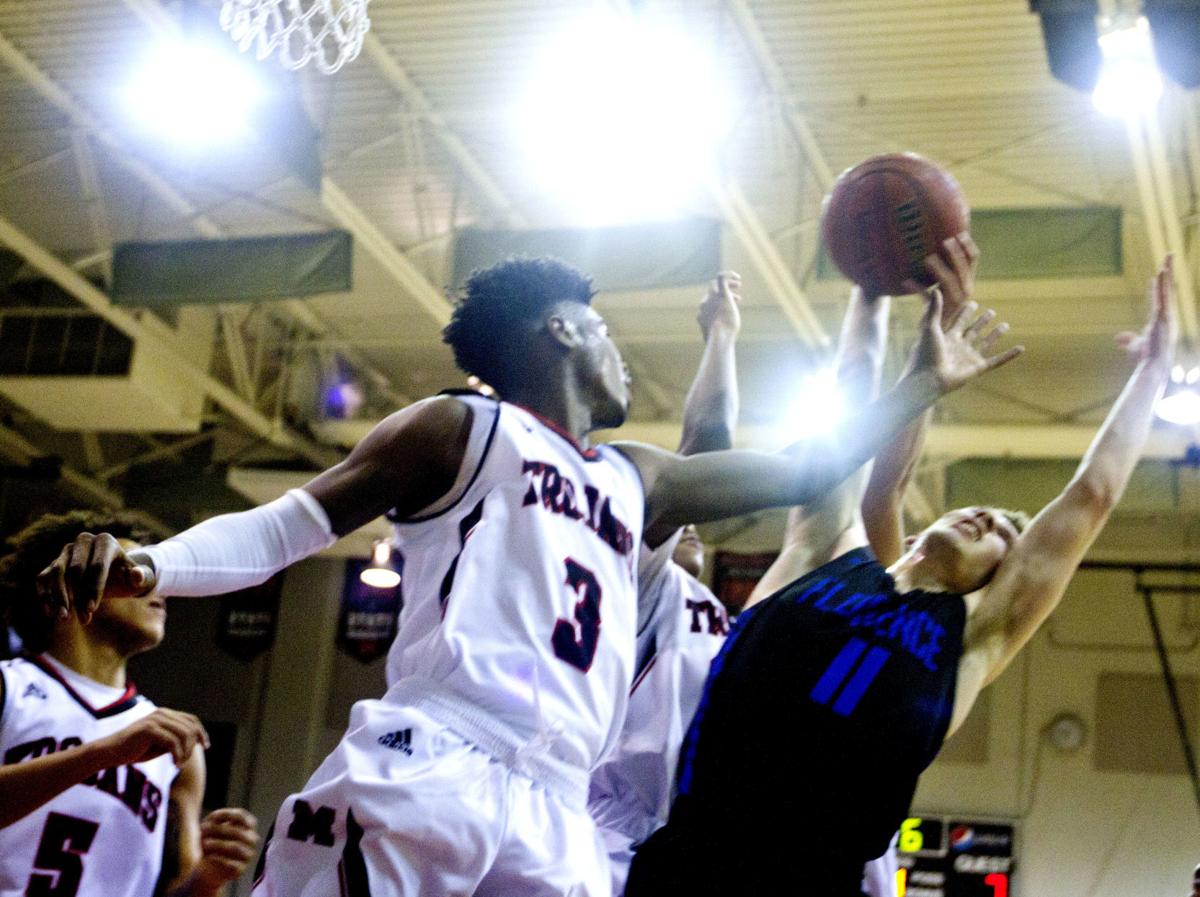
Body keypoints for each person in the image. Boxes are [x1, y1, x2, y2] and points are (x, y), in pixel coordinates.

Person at [39, 256, 1018, 897]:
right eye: (604, 330)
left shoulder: (638, 477)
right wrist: (150, 560)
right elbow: (288, 526)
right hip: (437, 757)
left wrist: (922, 382)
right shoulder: (458, 430)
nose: (619, 353)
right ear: (562, 331)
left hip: (561, 808)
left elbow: (807, 470)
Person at [624, 255, 1177, 897]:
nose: (984, 518)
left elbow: (1092, 496)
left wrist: (1153, 374)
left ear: (1000, 580)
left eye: (1003, 532)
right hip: (688, 865)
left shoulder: (970, 640)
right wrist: (871, 289)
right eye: (982, 509)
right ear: (916, 534)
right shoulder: (827, 554)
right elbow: (850, 412)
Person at [592, 239, 983, 897]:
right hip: (622, 839)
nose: (688, 523)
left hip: (764, 846)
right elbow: (709, 452)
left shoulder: (753, 630)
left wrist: (879, 299)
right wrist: (867, 296)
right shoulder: (644, 583)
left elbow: (867, 474)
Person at [0, 510, 259, 897]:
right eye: (133, 571)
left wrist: (208, 876)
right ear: (67, 583)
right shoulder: (9, 684)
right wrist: (103, 753)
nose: (156, 587)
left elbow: (182, 891)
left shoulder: (174, 744)